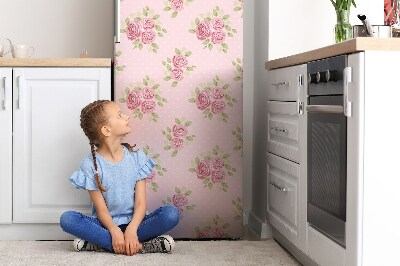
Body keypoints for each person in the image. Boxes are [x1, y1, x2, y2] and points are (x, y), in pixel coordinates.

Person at [60, 100, 179, 256]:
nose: (126, 116)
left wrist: (132, 228)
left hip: (137, 223)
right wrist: (114, 230)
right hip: (106, 226)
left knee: (171, 214)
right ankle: (142, 246)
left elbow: (141, 203)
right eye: (119, 115)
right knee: (67, 219)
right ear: (106, 130)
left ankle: (104, 244)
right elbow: (101, 210)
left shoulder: (136, 157)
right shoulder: (90, 165)